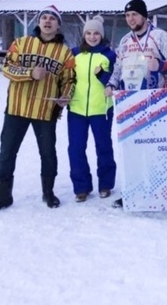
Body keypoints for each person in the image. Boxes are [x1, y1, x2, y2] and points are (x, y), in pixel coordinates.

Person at [0, 5, 75, 212]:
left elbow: (70, 79)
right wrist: (30, 72)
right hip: (16, 108)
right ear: (38, 22)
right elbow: (7, 68)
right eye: (44, 17)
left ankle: (48, 192)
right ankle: (3, 196)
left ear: (58, 25)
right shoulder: (21, 43)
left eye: (52, 19)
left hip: (45, 110)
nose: (47, 21)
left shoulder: (64, 52)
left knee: (48, 153)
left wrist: (66, 96)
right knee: (7, 153)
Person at [106, 0, 167, 208]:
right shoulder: (124, 41)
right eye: (127, 15)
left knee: (157, 149)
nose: (130, 19)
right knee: (133, 149)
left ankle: (161, 190)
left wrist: (160, 65)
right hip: (131, 103)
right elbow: (118, 68)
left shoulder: (159, 37)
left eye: (134, 15)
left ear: (144, 16)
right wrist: (112, 84)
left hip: (157, 101)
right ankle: (133, 190)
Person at [68, 15, 117, 202]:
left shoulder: (110, 55)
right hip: (77, 109)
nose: (92, 36)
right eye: (88, 33)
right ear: (83, 35)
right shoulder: (74, 54)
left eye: (96, 33)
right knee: (76, 149)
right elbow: (67, 78)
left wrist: (102, 75)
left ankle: (105, 184)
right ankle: (81, 188)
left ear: (101, 35)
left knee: (103, 147)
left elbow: (115, 81)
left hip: (101, 110)